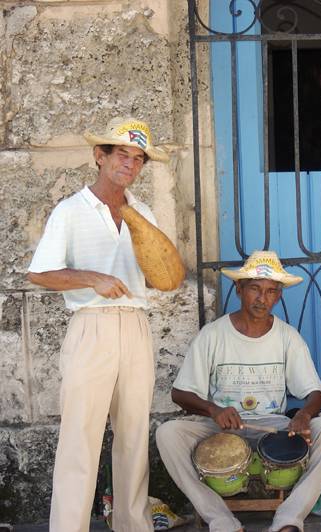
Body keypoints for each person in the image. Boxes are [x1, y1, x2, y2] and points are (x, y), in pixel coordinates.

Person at [27, 116, 170, 531]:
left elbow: (162, 274)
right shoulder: (71, 210)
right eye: (121, 154)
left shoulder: (142, 212)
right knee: (80, 438)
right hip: (90, 325)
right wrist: (92, 278)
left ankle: (132, 524)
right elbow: (40, 273)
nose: (130, 164)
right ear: (99, 156)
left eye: (138, 158)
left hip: (136, 326)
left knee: (132, 435)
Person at [156, 250, 321, 532]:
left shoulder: (287, 337)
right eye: (255, 288)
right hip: (220, 426)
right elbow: (180, 394)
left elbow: (314, 393)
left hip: (273, 425)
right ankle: (222, 522)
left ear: (278, 295)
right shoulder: (214, 334)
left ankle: (288, 520)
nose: (262, 298)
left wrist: (304, 415)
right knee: (167, 433)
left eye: (270, 291)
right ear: (239, 288)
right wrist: (214, 410)